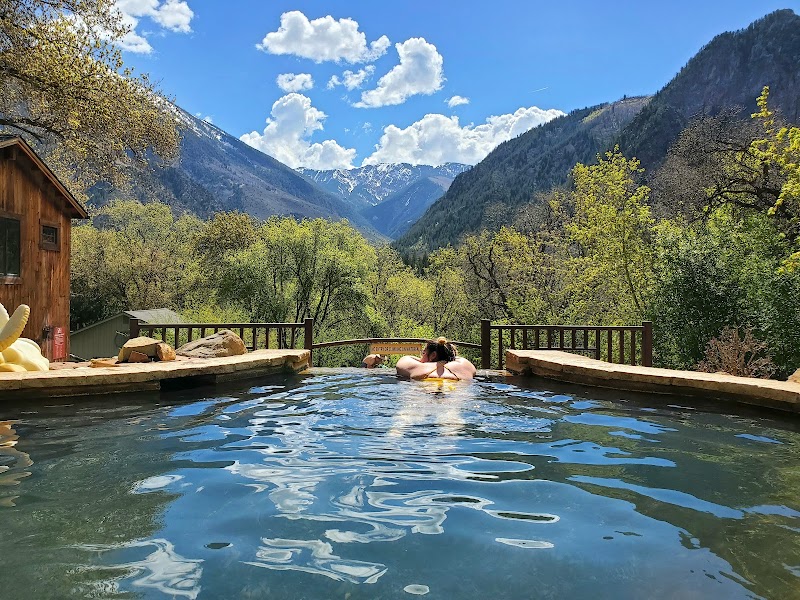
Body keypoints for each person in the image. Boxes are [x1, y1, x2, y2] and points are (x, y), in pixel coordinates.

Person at [395, 337, 476, 381]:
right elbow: (458, 358)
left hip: (426, 385)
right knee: (452, 409)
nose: (421, 358)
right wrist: (447, 357)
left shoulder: (418, 368)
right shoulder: (463, 366)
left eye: (423, 353)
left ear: (433, 355)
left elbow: (404, 360)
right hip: (454, 387)